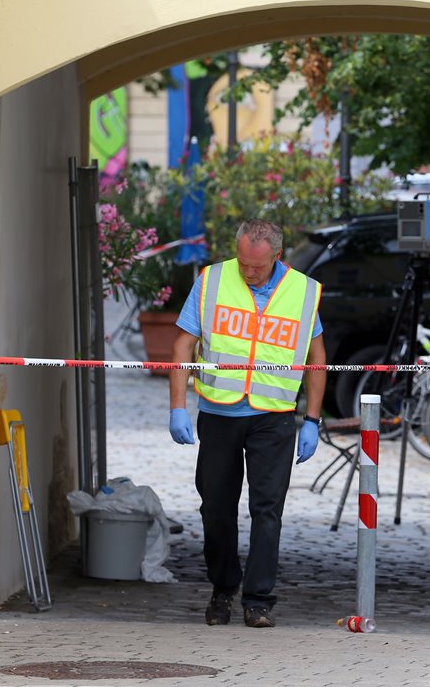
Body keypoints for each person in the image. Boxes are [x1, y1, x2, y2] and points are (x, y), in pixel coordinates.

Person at [167, 219, 326, 629]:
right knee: (215, 508)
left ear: (277, 256)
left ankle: (259, 600)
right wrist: (177, 406)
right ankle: (223, 587)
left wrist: (312, 418)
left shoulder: (304, 292)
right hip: (220, 412)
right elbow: (184, 342)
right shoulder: (212, 280)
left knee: (267, 508)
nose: (248, 272)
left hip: (273, 417)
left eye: (257, 266)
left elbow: (316, 356)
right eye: (243, 263)